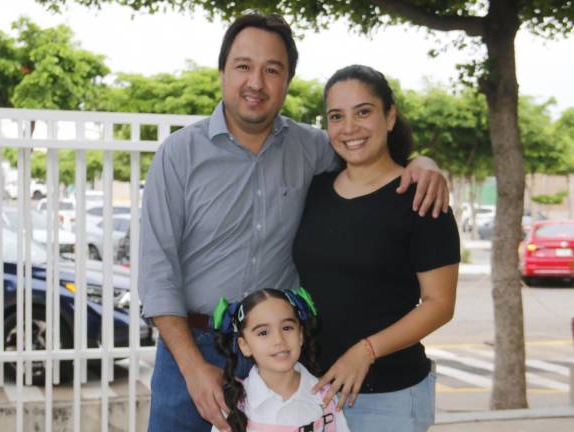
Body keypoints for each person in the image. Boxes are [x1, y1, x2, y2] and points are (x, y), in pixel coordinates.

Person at [138, 12, 450, 432]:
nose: (256, 82)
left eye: (272, 70)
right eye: (243, 66)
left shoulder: (313, 148)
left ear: (287, 81)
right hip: (193, 351)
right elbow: (157, 274)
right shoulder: (178, 155)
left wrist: (423, 164)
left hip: (283, 355)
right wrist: (193, 367)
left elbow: (369, 154)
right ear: (222, 72)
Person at [292, 65, 461, 431]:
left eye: (363, 111)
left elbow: (439, 305)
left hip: (389, 396)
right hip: (313, 391)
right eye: (337, 116)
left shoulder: (422, 198)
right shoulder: (316, 190)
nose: (349, 128)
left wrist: (365, 351)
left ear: (390, 116)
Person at [210, 288, 350, 432]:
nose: (279, 340)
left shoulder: (325, 398)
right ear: (244, 345)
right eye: (263, 332)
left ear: (300, 335)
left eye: (287, 328)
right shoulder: (233, 404)